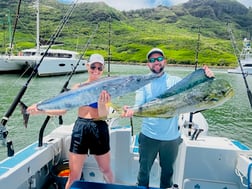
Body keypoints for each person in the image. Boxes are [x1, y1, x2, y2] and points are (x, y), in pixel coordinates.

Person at [122, 48, 214, 188]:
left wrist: (207, 78)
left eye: (159, 59)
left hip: (171, 139)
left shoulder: (175, 81)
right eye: (152, 60)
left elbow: (195, 92)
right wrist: (130, 110)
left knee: (168, 173)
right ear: (148, 64)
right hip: (148, 137)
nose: (156, 62)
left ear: (164, 61)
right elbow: (138, 105)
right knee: (143, 173)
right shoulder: (143, 83)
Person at [27, 54, 114, 189]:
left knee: (106, 171)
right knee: (74, 175)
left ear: (103, 69)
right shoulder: (77, 87)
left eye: (99, 68)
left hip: (99, 126)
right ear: (87, 66)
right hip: (81, 128)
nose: (96, 70)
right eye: (93, 66)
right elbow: (63, 110)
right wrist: (40, 110)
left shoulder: (106, 88)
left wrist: (102, 103)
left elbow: (103, 116)